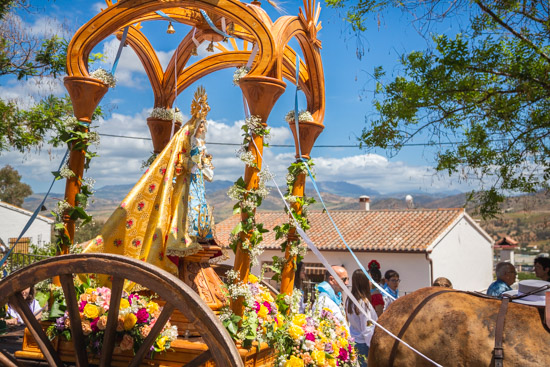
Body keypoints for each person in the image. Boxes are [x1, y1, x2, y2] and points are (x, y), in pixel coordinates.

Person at [346, 270, 377, 367]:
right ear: (364, 282)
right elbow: (367, 328)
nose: (371, 282)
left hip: (354, 340)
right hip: (364, 343)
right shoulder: (363, 302)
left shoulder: (349, 300)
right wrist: (372, 347)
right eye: (369, 279)